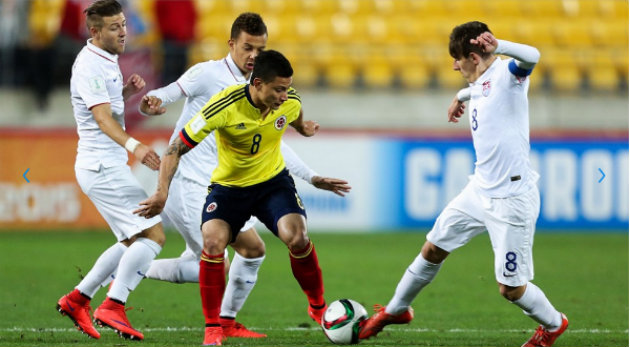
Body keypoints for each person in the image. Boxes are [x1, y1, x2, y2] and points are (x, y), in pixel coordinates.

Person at [137, 12, 350, 339]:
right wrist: (162, 190)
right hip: (224, 186)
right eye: (248, 47)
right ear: (233, 45)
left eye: (259, 49)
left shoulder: (287, 98)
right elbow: (176, 145)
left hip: (270, 183)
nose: (254, 55)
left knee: (293, 239)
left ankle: (316, 307)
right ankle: (211, 326)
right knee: (212, 248)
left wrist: (303, 131)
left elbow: (288, 117)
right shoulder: (220, 96)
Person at [359, 21, 569, 347]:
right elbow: (483, 91)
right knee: (432, 248)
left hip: (511, 199)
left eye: (457, 59)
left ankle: (554, 324)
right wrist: (461, 95)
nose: (454, 65)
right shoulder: (483, 82)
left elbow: (533, 55)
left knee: (510, 288)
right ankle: (396, 310)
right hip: (479, 190)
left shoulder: (508, 76)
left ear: (473, 56)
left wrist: (499, 46)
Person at [55, 0, 164, 341]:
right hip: (101, 166)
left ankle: (78, 299)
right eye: (115, 26)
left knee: (131, 239)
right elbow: (101, 120)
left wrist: (126, 92)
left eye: (124, 23)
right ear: (95, 31)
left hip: (104, 165)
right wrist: (137, 146)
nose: (124, 31)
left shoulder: (106, 60)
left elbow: (101, 104)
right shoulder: (89, 64)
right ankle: (112, 306)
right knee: (153, 236)